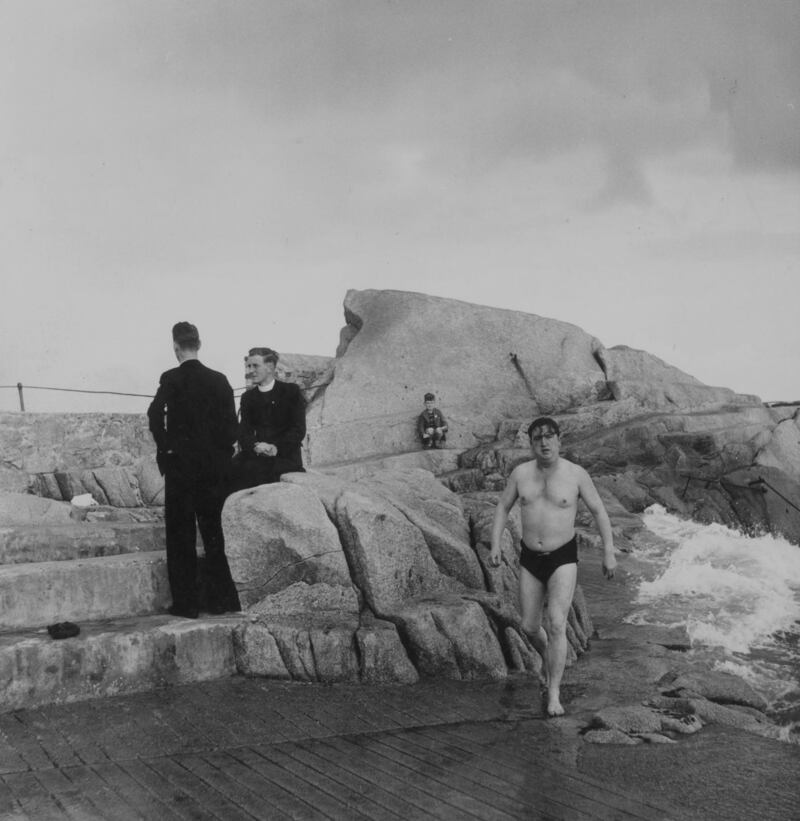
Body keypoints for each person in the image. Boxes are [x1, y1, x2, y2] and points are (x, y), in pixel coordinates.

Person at [489, 416, 616, 717]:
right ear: (531, 444)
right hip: (531, 558)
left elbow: (599, 511)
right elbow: (502, 507)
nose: (544, 442)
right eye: (537, 438)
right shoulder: (521, 474)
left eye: (549, 436)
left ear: (560, 440)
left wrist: (608, 552)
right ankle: (549, 658)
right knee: (530, 627)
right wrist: (495, 544)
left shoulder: (576, 475)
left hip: (563, 557)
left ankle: (554, 692)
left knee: (557, 622)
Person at [147, 322, 241, 618]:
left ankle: (187, 604)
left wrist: (166, 449)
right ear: (199, 344)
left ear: (176, 347)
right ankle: (221, 601)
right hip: (214, 469)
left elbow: (154, 415)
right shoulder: (220, 379)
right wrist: (223, 455)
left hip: (181, 469)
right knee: (214, 534)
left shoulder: (171, 378)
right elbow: (231, 427)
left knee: (180, 535)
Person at [229, 347, 306, 492]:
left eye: (255, 366)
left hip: (285, 455)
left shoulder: (290, 391)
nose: (250, 370)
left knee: (255, 471)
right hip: (258, 453)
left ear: (270, 367)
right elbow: (244, 430)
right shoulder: (248, 398)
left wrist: (275, 448)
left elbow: (298, 429)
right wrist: (255, 446)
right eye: (248, 366)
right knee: (230, 468)